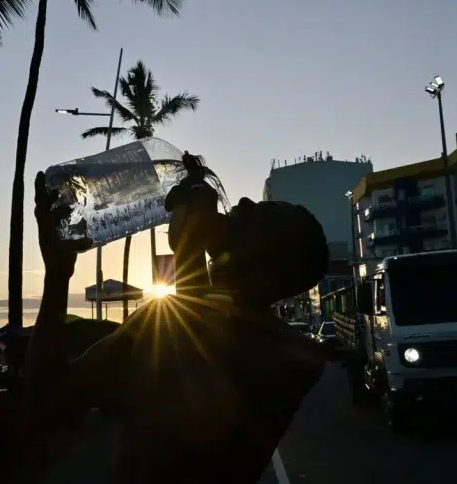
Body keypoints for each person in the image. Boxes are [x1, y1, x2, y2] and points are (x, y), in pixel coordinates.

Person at [25, 161, 326, 483]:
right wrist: (57, 276)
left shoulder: (294, 357)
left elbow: (200, 374)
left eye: (263, 217)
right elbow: (51, 393)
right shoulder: (159, 322)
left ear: (276, 267)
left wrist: (189, 252)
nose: (244, 203)